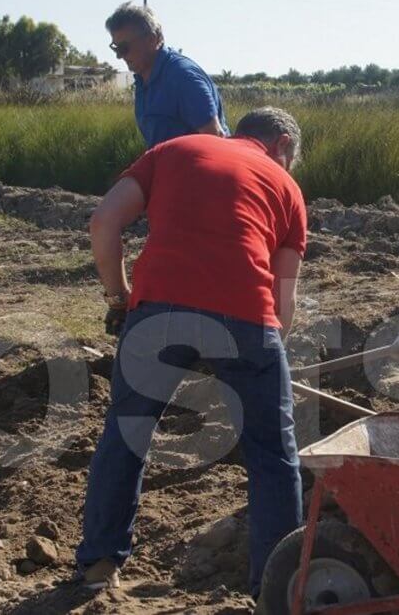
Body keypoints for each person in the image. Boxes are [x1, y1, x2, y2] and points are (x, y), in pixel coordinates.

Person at [75, 107, 306, 596]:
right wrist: (262, 361)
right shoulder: (286, 189)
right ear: (282, 144)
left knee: (127, 432)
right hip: (249, 318)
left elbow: (102, 224)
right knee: (273, 455)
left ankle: (99, 564)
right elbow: (283, 309)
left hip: (157, 311)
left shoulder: (172, 150)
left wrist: (119, 300)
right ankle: (276, 588)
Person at [105, 2, 229, 147]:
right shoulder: (142, 79)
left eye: (124, 48)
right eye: (116, 48)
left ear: (152, 39)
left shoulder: (183, 78)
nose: (119, 56)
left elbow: (216, 138)